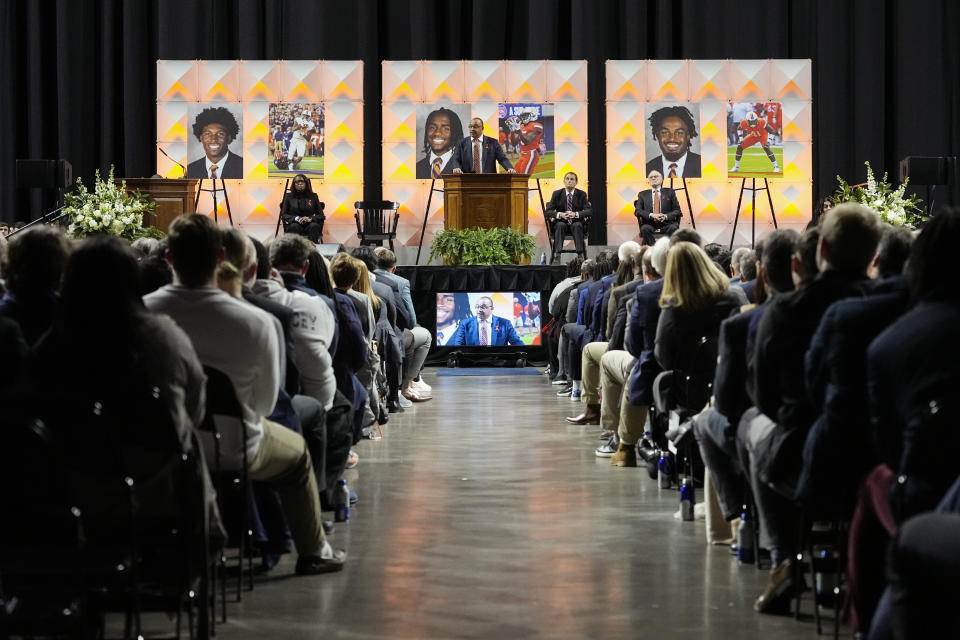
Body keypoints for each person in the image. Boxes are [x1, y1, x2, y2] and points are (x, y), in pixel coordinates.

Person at [144, 214, 345, 575]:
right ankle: (314, 551)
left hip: (159, 444)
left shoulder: (143, 312)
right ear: (221, 258)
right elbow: (264, 405)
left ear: (169, 258)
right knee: (298, 455)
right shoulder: (256, 322)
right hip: (232, 444)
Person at [186, 106, 243, 179]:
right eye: (208, 134)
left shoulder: (243, 166)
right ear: (201, 137)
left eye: (220, 134)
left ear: (228, 138)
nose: (213, 139)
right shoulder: (191, 170)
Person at [646, 105, 701, 179]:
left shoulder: (703, 165)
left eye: (679, 132)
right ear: (657, 135)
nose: (672, 138)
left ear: (688, 136)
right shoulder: (647, 169)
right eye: (665, 132)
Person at [545, 171, 592, 259]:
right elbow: (548, 211)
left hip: (576, 224)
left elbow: (589, 211)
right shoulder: (557, 194)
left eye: (572, 179)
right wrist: (560, 214)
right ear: (564, 181)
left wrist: (575, 214)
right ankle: (557, 255)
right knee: (560, 225)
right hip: (561, 224)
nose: (569, 181)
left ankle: (580, 254)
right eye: (567, 179)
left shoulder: (582, 194)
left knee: (577, 225)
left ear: (576, 182)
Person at [450, 117, 516, 174]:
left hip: (488, 181)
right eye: (470, 126)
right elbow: (456, 159)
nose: (472, 129)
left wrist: (509, 168)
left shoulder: (493, 142)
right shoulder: (462, 143)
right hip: (467, 181)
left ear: (482, 128)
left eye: (475, 127)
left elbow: (502, 158)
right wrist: (456, 167)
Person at [450, 296, 523, 346]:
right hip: (471, 363)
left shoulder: (505, 323)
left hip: (498, 363)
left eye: (483, 307)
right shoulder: (465, 323)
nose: (479, 310)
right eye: (477, 307)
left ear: (492, 308)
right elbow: (458, 345)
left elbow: (517, 343)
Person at [635, 169, 682, 246]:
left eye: (656, 176)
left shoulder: (670, 192)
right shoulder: (642, 194)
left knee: (674, 228)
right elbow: (638, 211)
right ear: (649, 180)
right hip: (650, 224)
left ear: (662, 179)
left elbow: (677, 210)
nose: (653, 178)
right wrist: (651, 215)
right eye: (651, 177)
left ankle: (670, 249)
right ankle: (653, 249)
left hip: (667, 224)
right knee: (644, 229)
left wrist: (665, 216)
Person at [415, 107, 464, 179]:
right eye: (432, 127)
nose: (437, 133)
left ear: (455, 133)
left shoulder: (466, 167)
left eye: (445, 128)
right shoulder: (416, 168)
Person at [280, 174, 325, 243]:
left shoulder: (313, 196)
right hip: (295, 223)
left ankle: (313, 250)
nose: (300, 184)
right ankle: (294, 250)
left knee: (314, 226)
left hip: (310, 223)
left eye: (302, 182)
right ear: (294, 184)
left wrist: (310, 218)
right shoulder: (288, 196)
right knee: (294, 226)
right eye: (297, 182)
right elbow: (284, 214)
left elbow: (321, 215)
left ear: (306, 183)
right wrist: (296, 218)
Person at [510, 108, 544, 174]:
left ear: (532, 115)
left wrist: (519, 131)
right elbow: (514, 143)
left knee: (523, 177)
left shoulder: (536, 126)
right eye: (523, 115)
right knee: (514, 174)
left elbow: (527, 142)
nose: (524, 117)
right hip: (523, 154)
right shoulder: (522, 126)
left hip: (531, 153)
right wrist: (512, 130)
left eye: (526, 115)